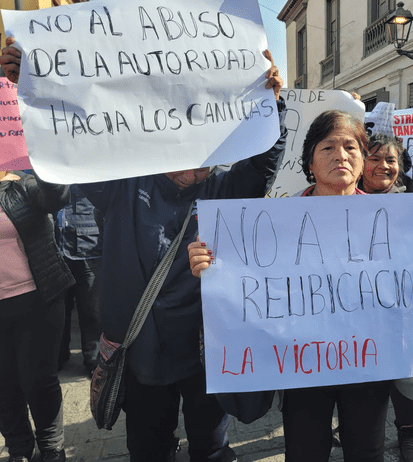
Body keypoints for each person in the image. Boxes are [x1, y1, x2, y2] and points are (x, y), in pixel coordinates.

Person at [0, 38, 288, 462]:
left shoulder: (225, 186)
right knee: (149, 449)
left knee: (210, 448)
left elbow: (265, 161)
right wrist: (33, 86)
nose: (198, 158)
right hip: (141, 351)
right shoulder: (123, 181)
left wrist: (269, 104)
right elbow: (73, 146)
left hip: (207, 349)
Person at [189, 110, 413, 462]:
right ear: (310, 163)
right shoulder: (274, 218)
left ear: (362, 162)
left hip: (368, 363)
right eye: (328, 147)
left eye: (350, 147)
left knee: (366, 450)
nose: (340, 155)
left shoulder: (397, 219)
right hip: (302, 366)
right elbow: (241, 276)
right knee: (304, 452)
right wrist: (210, 263)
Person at [0, 170, 75, 462]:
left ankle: (51, 447)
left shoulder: (23, 185)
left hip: (37, 300)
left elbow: (57, 197)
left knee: (37, 381)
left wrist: (47, 165)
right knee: (4, 385)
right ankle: (19, 448)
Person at [358, 132, 413, 462]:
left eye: (391, 160)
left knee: (404, 370)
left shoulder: (412, 202)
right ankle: (353, 429)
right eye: (375, 158)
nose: (384, 166)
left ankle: (408, 430)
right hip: (352, 307)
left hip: (397, 306)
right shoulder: (339, 200)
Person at [56, 185, 103, 374]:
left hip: (88, 242)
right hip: (56, 242)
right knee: (58, 307)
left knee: (92, 308)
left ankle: (94, 360)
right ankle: (58, 355)